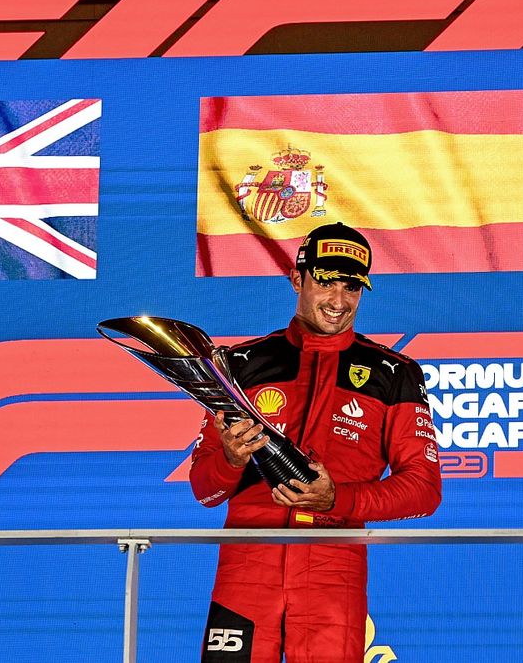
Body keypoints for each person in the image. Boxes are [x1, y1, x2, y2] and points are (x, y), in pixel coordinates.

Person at [189, 222, 442, 663]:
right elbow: (204, 490)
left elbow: (424, 490)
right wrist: (230, 459)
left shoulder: (395, 373)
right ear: (296, 279)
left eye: (352, 287)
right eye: (326, 282)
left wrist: (336, 500)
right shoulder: (238, 366)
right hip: (246, 567)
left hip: (332, 572)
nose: (339, 301)